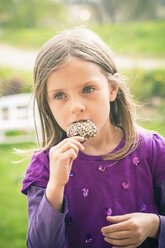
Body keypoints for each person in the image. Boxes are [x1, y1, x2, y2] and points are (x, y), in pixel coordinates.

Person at [21, 27, 165, 248]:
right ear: (47, 105)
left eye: (88, 89)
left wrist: (155, 225)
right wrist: (55, 187)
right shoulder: (45, 165)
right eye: (60, 95)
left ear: (112, 89)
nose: (76, 107)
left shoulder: (153, 151)